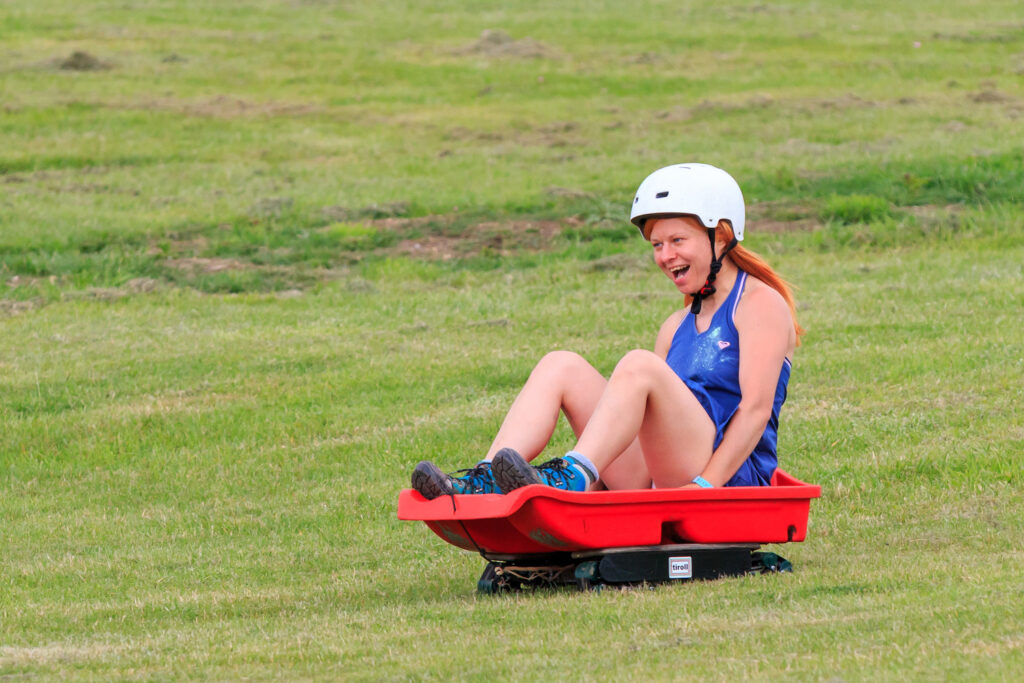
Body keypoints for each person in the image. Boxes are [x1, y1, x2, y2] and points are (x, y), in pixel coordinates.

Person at [411, 163, 804, 499]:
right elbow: (649, 426)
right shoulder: (676, 325)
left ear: (720, 235)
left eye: (677, 240)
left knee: (639, 365)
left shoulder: (758, 304)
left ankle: (574, 475)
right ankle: (485, 481)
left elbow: (755, 411)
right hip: (662, 473)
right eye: (657, 245)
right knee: (560, 365)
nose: (665, 256)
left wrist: (704, 487)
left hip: (727, 479)